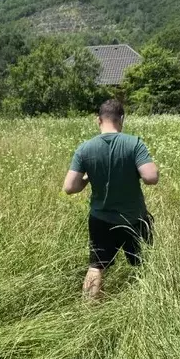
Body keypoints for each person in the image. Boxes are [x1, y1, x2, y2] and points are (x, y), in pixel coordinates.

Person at [63, 98, 159, 300]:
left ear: (98, 120)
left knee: (96, 267)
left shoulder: (85, 148)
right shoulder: (134, 143)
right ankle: (146, 303)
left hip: (101, 220)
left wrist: (88, 177)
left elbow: (70, 187)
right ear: (121, 119)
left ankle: (89, 311)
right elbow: (151, 178)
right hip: (134, 218)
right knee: (145, 265)